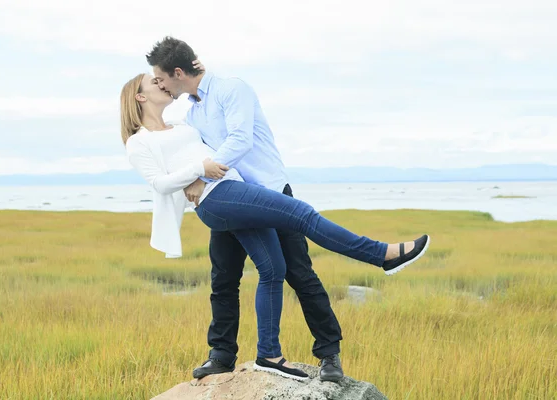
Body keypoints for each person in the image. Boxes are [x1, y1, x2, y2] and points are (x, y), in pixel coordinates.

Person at [120, 71, 431, 381]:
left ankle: (271, 354)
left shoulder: (185, 122)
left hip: (250, 189)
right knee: (290, 227)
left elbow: (225, 146)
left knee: (278, 269)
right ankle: (382, 254)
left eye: (162, 79)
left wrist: (198, 175)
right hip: (224, 197)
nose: (161, 84)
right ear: (140, 97)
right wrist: (197, 171)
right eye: (154, 82)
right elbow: (160, 184)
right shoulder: (139, 142)